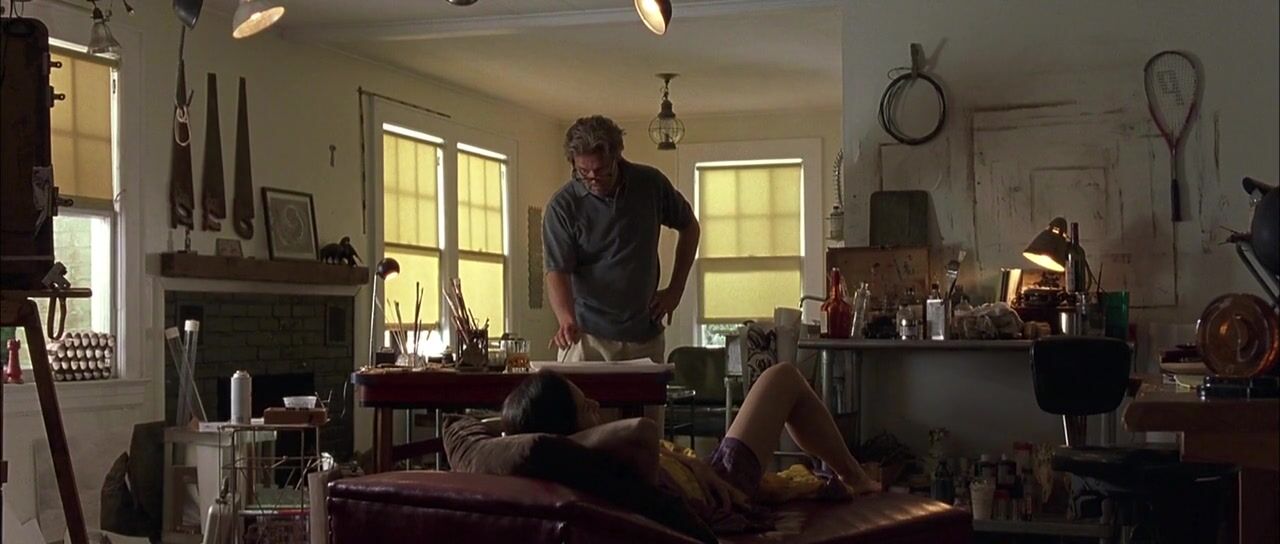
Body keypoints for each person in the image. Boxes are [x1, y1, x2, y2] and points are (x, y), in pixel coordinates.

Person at [501, 361, 882, 529]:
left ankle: (851, 472)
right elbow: (643, 428)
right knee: (782, 378)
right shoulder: (600, 454)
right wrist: (565, 442)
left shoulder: (580, 461)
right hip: (723, 485)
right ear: (566, 432)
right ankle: (854, 475)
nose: (597, 405)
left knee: (782, 378)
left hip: (707, 474)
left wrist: (697, 465)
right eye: (586, 407)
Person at [542, 115, 700, 364]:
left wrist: (675, 291)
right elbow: (557, 270)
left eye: (601, 171)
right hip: (587, 337)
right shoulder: (563, 207)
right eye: (583, 172)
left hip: (644, 336)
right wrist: (566, 318)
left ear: (617, 157)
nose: (593, 179)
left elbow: (690, 227)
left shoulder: (650, 184)